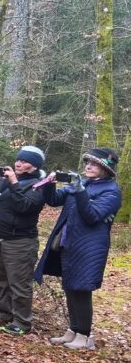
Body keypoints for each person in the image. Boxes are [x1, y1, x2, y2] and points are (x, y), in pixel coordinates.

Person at [38, 148, 122, 350]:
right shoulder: (83, 184)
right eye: (87, 163)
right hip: (70, 243)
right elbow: (54, 200)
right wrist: (50, 184)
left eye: (94, 164)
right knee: (70, 286)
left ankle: (84, 336)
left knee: (82, 288)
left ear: (105, 169)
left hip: (90, 247)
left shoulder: (111, 191)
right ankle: (72, 331)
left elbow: (92, 216)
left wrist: (80, 191)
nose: (88, 166)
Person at [0, 146, 48, 335]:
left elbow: (24, 207)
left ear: (34, 166)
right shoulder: (4, 180)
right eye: (18, 159)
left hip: (20, 241)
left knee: (19, 282)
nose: (19, 163)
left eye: (25, 161)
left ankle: (22, 322)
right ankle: (4, 313)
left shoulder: (40, 185)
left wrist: (14, 183)